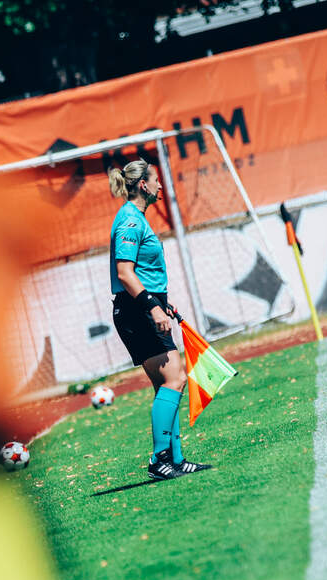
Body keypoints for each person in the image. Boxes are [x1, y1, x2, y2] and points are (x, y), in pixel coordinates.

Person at [107, 158, 210, 481]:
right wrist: (152, 306)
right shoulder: (130, 220)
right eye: (156, 179)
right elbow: (125, 273)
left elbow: (141, 274)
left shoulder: (135, 217)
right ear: (143, 185)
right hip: (138, 311)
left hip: (145, 307)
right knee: (174, 379)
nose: (160, 185)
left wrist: (164, 304)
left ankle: (175, 460)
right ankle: (159, 459)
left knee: (168, 382)